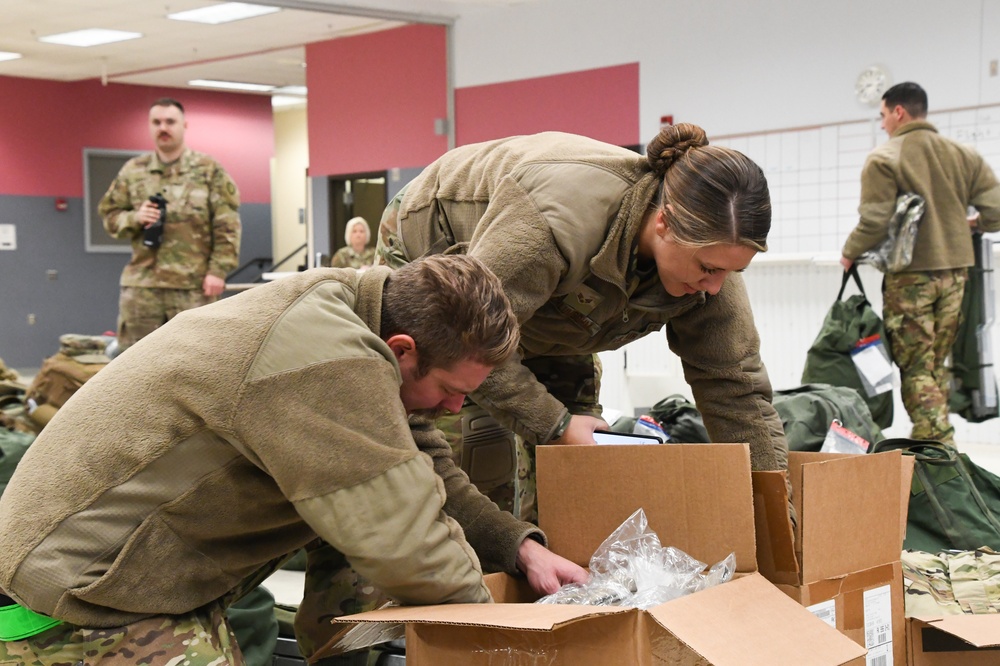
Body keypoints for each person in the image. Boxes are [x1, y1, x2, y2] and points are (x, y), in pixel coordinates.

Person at [0, 255, 587, 665]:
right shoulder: (324, 359)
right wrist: (516, 641)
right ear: (402, 351)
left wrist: (519, 546)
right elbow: (405, 541)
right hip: (80, 585)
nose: (458, 407)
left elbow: (421, 469)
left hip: (133, 564)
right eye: (451, 390)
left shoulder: (364, 315)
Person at [375, 123, 791, 524]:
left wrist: (777, 519)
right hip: (440, 262)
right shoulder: (552, 223)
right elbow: (469, 342)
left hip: (552, 309)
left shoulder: (709, 266)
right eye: (708, 269)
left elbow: (736, 391)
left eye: (729, 273)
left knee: (579, 481)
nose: (715, 287)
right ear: (664, 223)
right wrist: (553, 425)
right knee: (474, 459)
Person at [841, 82, 1000, 447]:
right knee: (933, 363)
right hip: (957, 275)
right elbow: (996, 210)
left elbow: (875, 221)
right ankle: (934, 442)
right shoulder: (965, 155)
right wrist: (974, 224)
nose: (882, 124)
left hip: (911, 278)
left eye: (882, 115)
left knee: (915, 365)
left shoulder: (885, 158)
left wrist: (850, 251)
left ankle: (939, 452)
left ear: (899, 112)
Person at [99, 97, 242, 351]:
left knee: (197, 359)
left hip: (193, 286)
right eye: (156, 122)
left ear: (184, 125)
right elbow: (109, 215)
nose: (163, 128)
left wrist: (218, 271)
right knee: (135, 364)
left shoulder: (208, 170)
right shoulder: (134, 170)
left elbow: (227, 225)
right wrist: (135, 217)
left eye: (170, 122)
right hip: (143, 287)